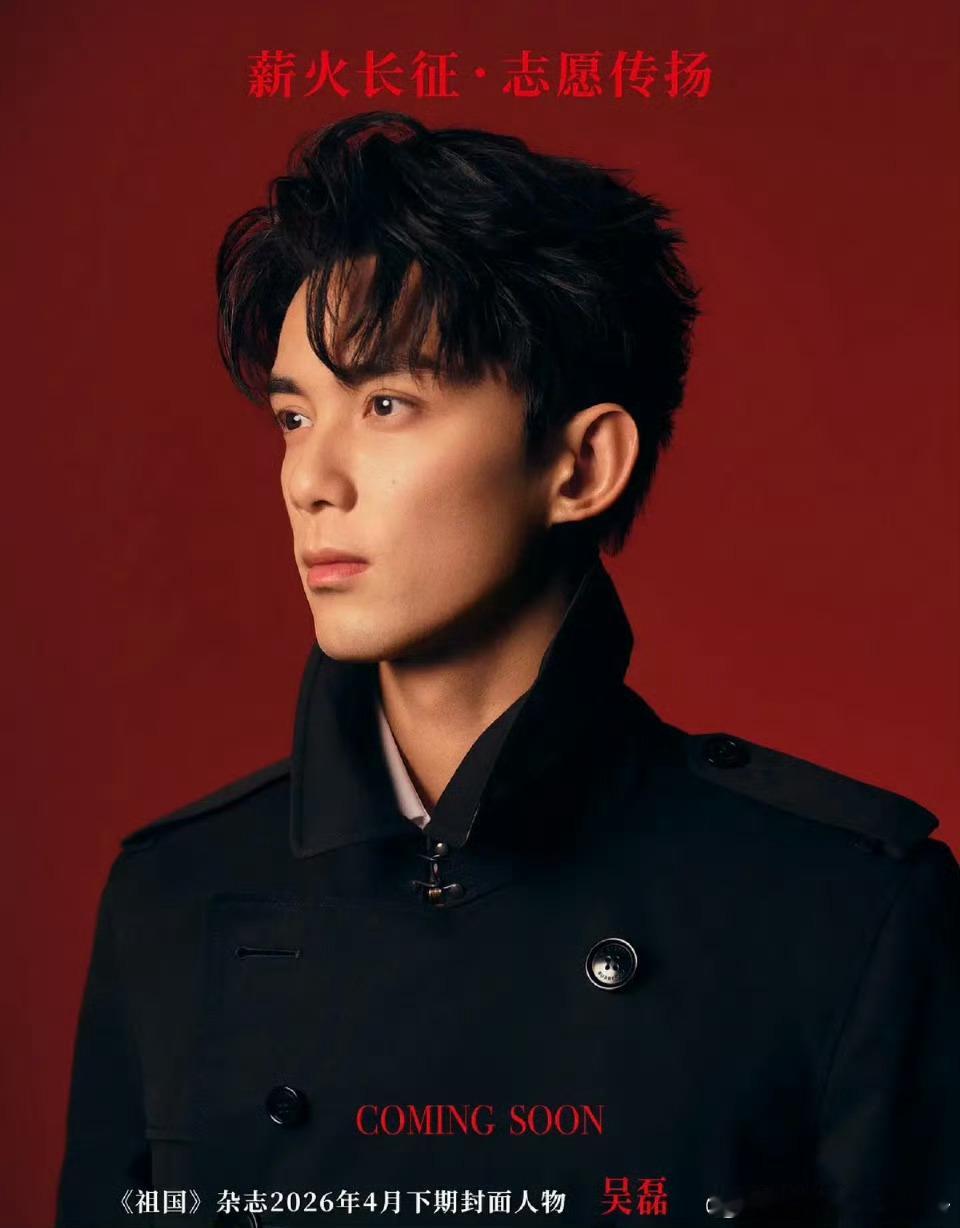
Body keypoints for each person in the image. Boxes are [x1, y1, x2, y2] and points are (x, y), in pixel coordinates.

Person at [55, 111, 959, 1228]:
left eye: (386, 404)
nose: (309, 479)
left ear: (581, 465)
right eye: (294, 414)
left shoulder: (841, 905)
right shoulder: (174, 894)